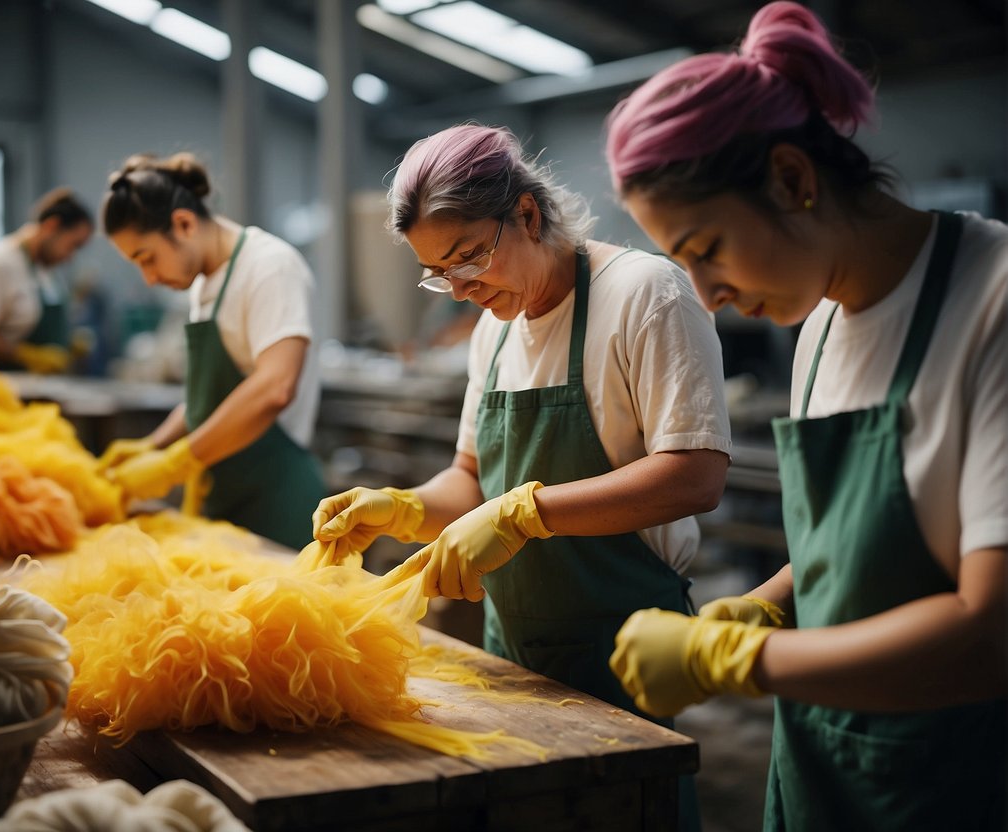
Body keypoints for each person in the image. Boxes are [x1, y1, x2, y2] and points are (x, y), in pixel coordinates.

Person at [604, 4, 1006, 830]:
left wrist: (740, 658)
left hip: (947, 782)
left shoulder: (991, 303)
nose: (706, 298)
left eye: (706, 249)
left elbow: (990, 633)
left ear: (792, 178)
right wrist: (767, 604)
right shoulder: (818, 321)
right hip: (819, 777)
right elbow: (843, 557)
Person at [313, 124, 732, 831]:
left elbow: (693, 476)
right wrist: (399, 508)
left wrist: (523, 515)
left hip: (623, 650)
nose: (458, 289)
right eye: (438, 272)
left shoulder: (643, 293)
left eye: (468, 257)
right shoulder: (495, 329)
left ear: (528, 215)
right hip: (512, 651)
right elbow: (468, 485)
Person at [96, 152, 326, 551]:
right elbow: (210, 399)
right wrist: (155, 444)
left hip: (274, 499)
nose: (148, 279)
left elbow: (275, 386)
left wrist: (175, 464)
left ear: (183, 224)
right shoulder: (203, 284)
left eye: (147, 258)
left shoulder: (269, 267)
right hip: (223, 492)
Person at [0, 187, 93, 373]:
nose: (71, 257)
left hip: (38, 384)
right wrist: (25, 355)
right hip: (2, 384)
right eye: (73, 245)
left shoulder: (46, 269)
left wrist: (68, 344)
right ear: (51, 226)